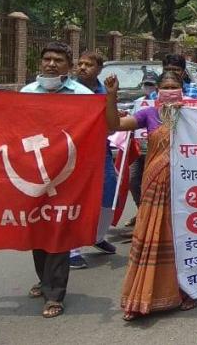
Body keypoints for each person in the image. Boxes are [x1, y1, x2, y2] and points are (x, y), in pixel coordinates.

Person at [103, 71, 197, 320]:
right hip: (155, 185)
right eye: (165, 86)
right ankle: (139, 297)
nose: (169, 91)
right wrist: (111, 96)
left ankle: (183, 291)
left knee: (180, 241)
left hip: (183, 189)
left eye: (174, 86)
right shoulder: (149, 114)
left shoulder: (194, 115)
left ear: (182, 89)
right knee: (148, 238)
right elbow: (115, 125)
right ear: (157, 90)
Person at [19, 41, 94, 318]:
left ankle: (55, 295)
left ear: (69, 66)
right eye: (47, 59)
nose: (51, 64)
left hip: (68, 175)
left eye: (58, 60)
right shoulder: (26, 93)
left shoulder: (83, 96)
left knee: (59, 229)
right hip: (34, 172)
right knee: (38, 228)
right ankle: (45, 279)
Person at [70, 51, 119, 269]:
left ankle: (97, 236)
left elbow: (112, 121)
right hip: (72, 153)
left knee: (109, 192)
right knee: (75, 198)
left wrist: (112, 97)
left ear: (99, 69)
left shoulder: (104, 90)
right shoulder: (67, 90)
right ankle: (72, 248)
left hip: (100, 150)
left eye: (88, 64)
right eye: (80, 64)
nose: (82, 67)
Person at [126, 73, 158, 226]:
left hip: (156, 152)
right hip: (139, 149)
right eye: (147, 84)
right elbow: (128, 124)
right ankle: (142, 211)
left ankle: (150, 217)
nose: (149, 88)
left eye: (151, 84)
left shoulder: (167, 106)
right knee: (133, 180)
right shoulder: (140, 104)